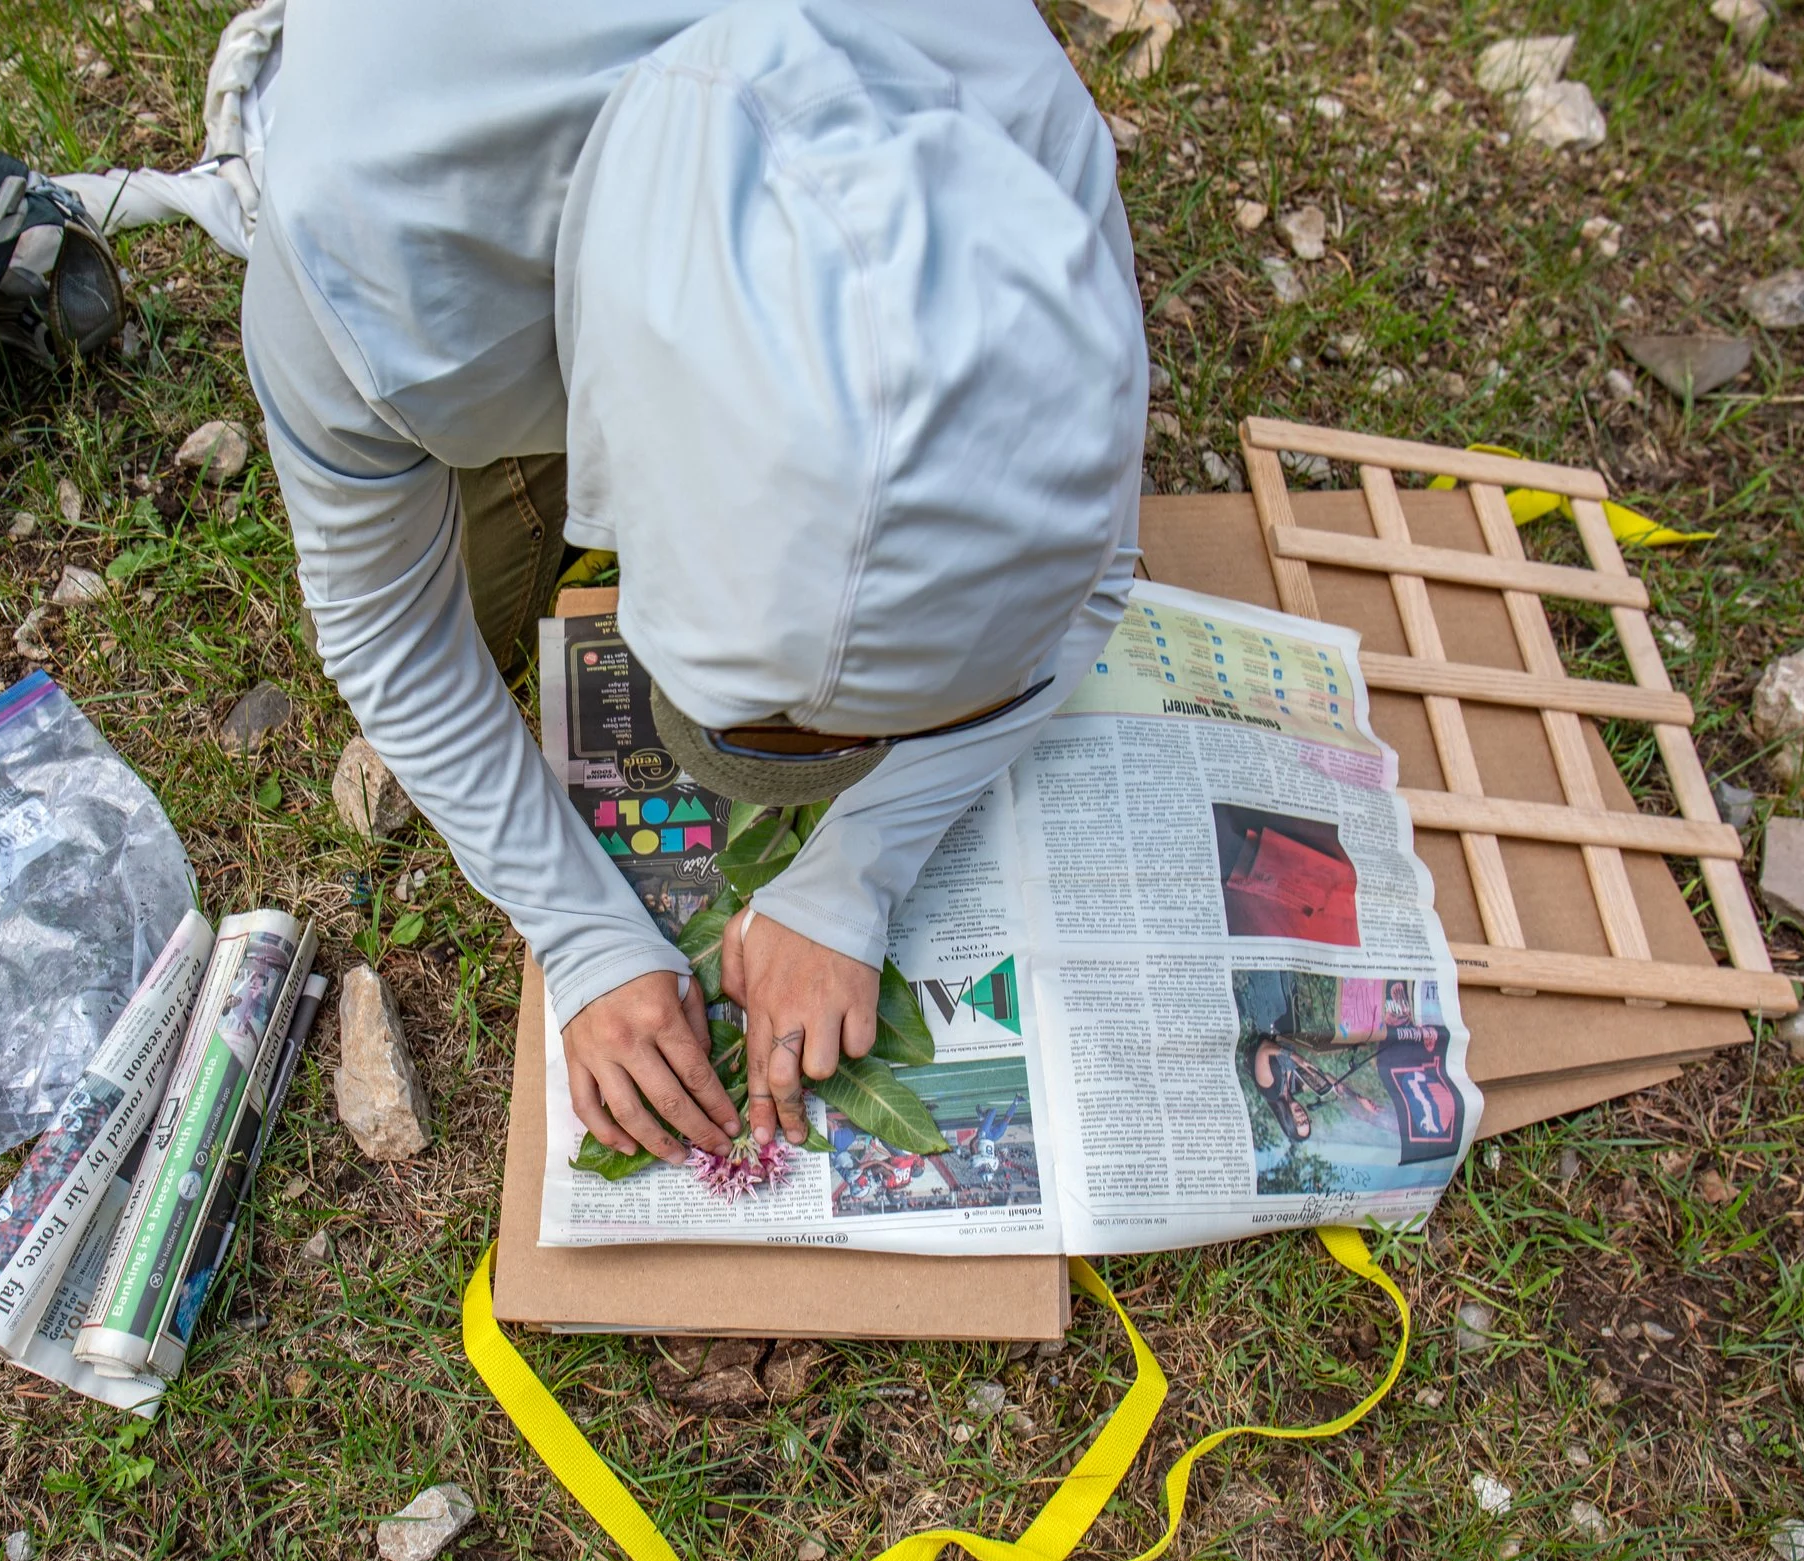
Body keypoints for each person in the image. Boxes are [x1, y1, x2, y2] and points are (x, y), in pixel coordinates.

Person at [242, 0, 1148, 1171]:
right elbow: (385, 630)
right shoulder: (369, 256)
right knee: (478, 600)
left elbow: (1093, 573)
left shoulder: (1039, 162)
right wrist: (582, 935)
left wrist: (849, 876)